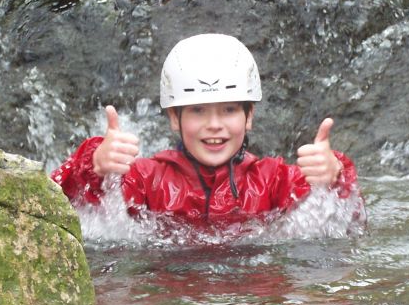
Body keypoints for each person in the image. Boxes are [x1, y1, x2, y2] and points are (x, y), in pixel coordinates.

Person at [51, 34, 363, 229]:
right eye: (198, 110)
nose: (214, 124)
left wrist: (334, 171)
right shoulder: (146, 179)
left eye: (228, 110)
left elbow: (347, 216)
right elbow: (60, 200)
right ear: (174, 118)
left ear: (248, 116)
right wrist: (95, 164)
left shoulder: (273, 181)